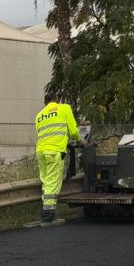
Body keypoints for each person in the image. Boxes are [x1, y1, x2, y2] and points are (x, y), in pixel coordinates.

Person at [34, 92, 80, 227]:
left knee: (46, 182)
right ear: (56, 100)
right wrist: (79, 140)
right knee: (53, 183)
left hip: (41, 151)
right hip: (54, 152)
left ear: (45, 103)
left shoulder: (39, 115)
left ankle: (47, 213)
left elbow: (46, 133)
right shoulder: (64, 108)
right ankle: (47, 218)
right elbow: (73, 131)